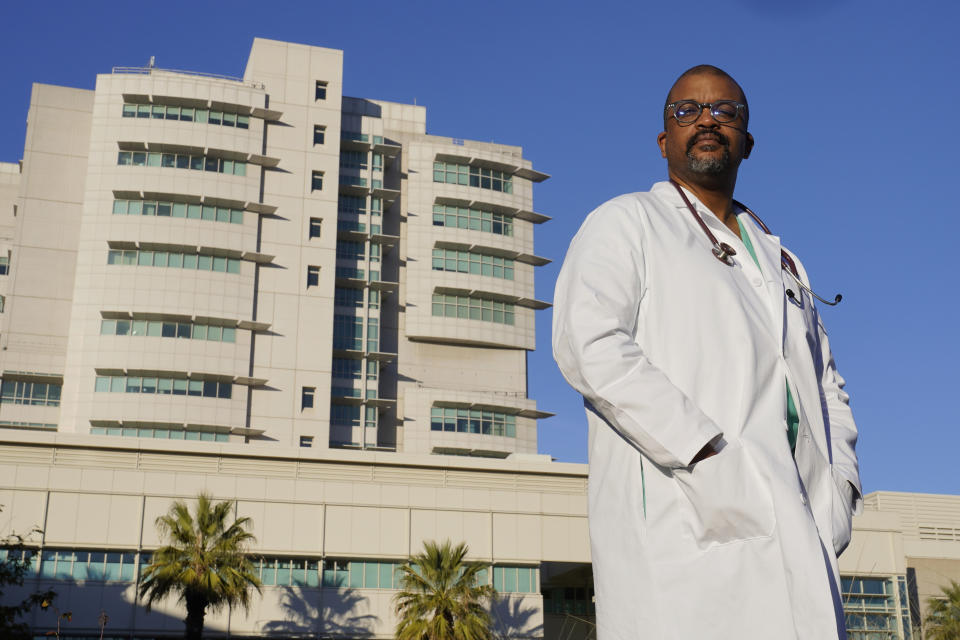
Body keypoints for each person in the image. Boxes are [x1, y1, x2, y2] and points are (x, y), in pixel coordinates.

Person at [552, 65, 862, 639]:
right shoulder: (626, 223)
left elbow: (826, 386)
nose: (706, 121)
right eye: (686, 110)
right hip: (685, 517)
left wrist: (840, 486)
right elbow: (589, 345)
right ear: (663, 139)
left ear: (748, 140)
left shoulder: (782, 261)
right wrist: (707, 456)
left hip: (804, 523)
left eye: (726, 111)